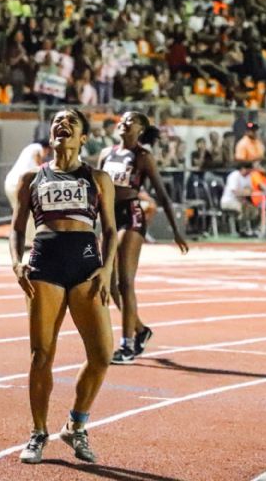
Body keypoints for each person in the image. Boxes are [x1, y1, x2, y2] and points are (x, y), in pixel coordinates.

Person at [10, 109, 117, 465]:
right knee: (41, 354)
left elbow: (111, 230)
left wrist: (106, 269)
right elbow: (16, 228)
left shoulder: (98, 178)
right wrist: (16, 260)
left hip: (86, 266)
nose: (62, 124)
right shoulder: (31, 178)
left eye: (71, 121)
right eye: (58, 120)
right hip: (45, 265)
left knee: (102, 354)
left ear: (83, 137)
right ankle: (38, 432)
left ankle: (76, 425)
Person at [99, 111, 188, 365]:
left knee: (125, 283)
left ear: (140, 129)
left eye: (131, 121)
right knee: (109, 284)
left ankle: (127, 345)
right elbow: (97, 187)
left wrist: (176, 231)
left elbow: (162, 195)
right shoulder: (106, 154)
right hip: (109, 217)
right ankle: (140, 330)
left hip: (131, 216)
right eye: (123, 119)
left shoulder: (143, 157)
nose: (124, 123)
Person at [4, 138, 52, 245]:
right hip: (17, 184)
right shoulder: (37, 148)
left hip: (9, 182)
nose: (46, 155)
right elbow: (38, 162)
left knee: (19, 213)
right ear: (47, 148)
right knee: (30, 212)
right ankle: (28, 241)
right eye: (48, 152)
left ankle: (20, 240)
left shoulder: (28, 149)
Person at [220, 162, 257, 235]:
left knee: (255, 210)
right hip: (228, 201)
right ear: (243, 169)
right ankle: (242, 230)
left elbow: (250, 190)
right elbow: (235, 191)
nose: (249, 172)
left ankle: (253, 229)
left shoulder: (248, 177)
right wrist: (244, 192)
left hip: (241, 201)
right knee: (244, 208)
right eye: (248, 170)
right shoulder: (234, 176)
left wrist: (244, 193)